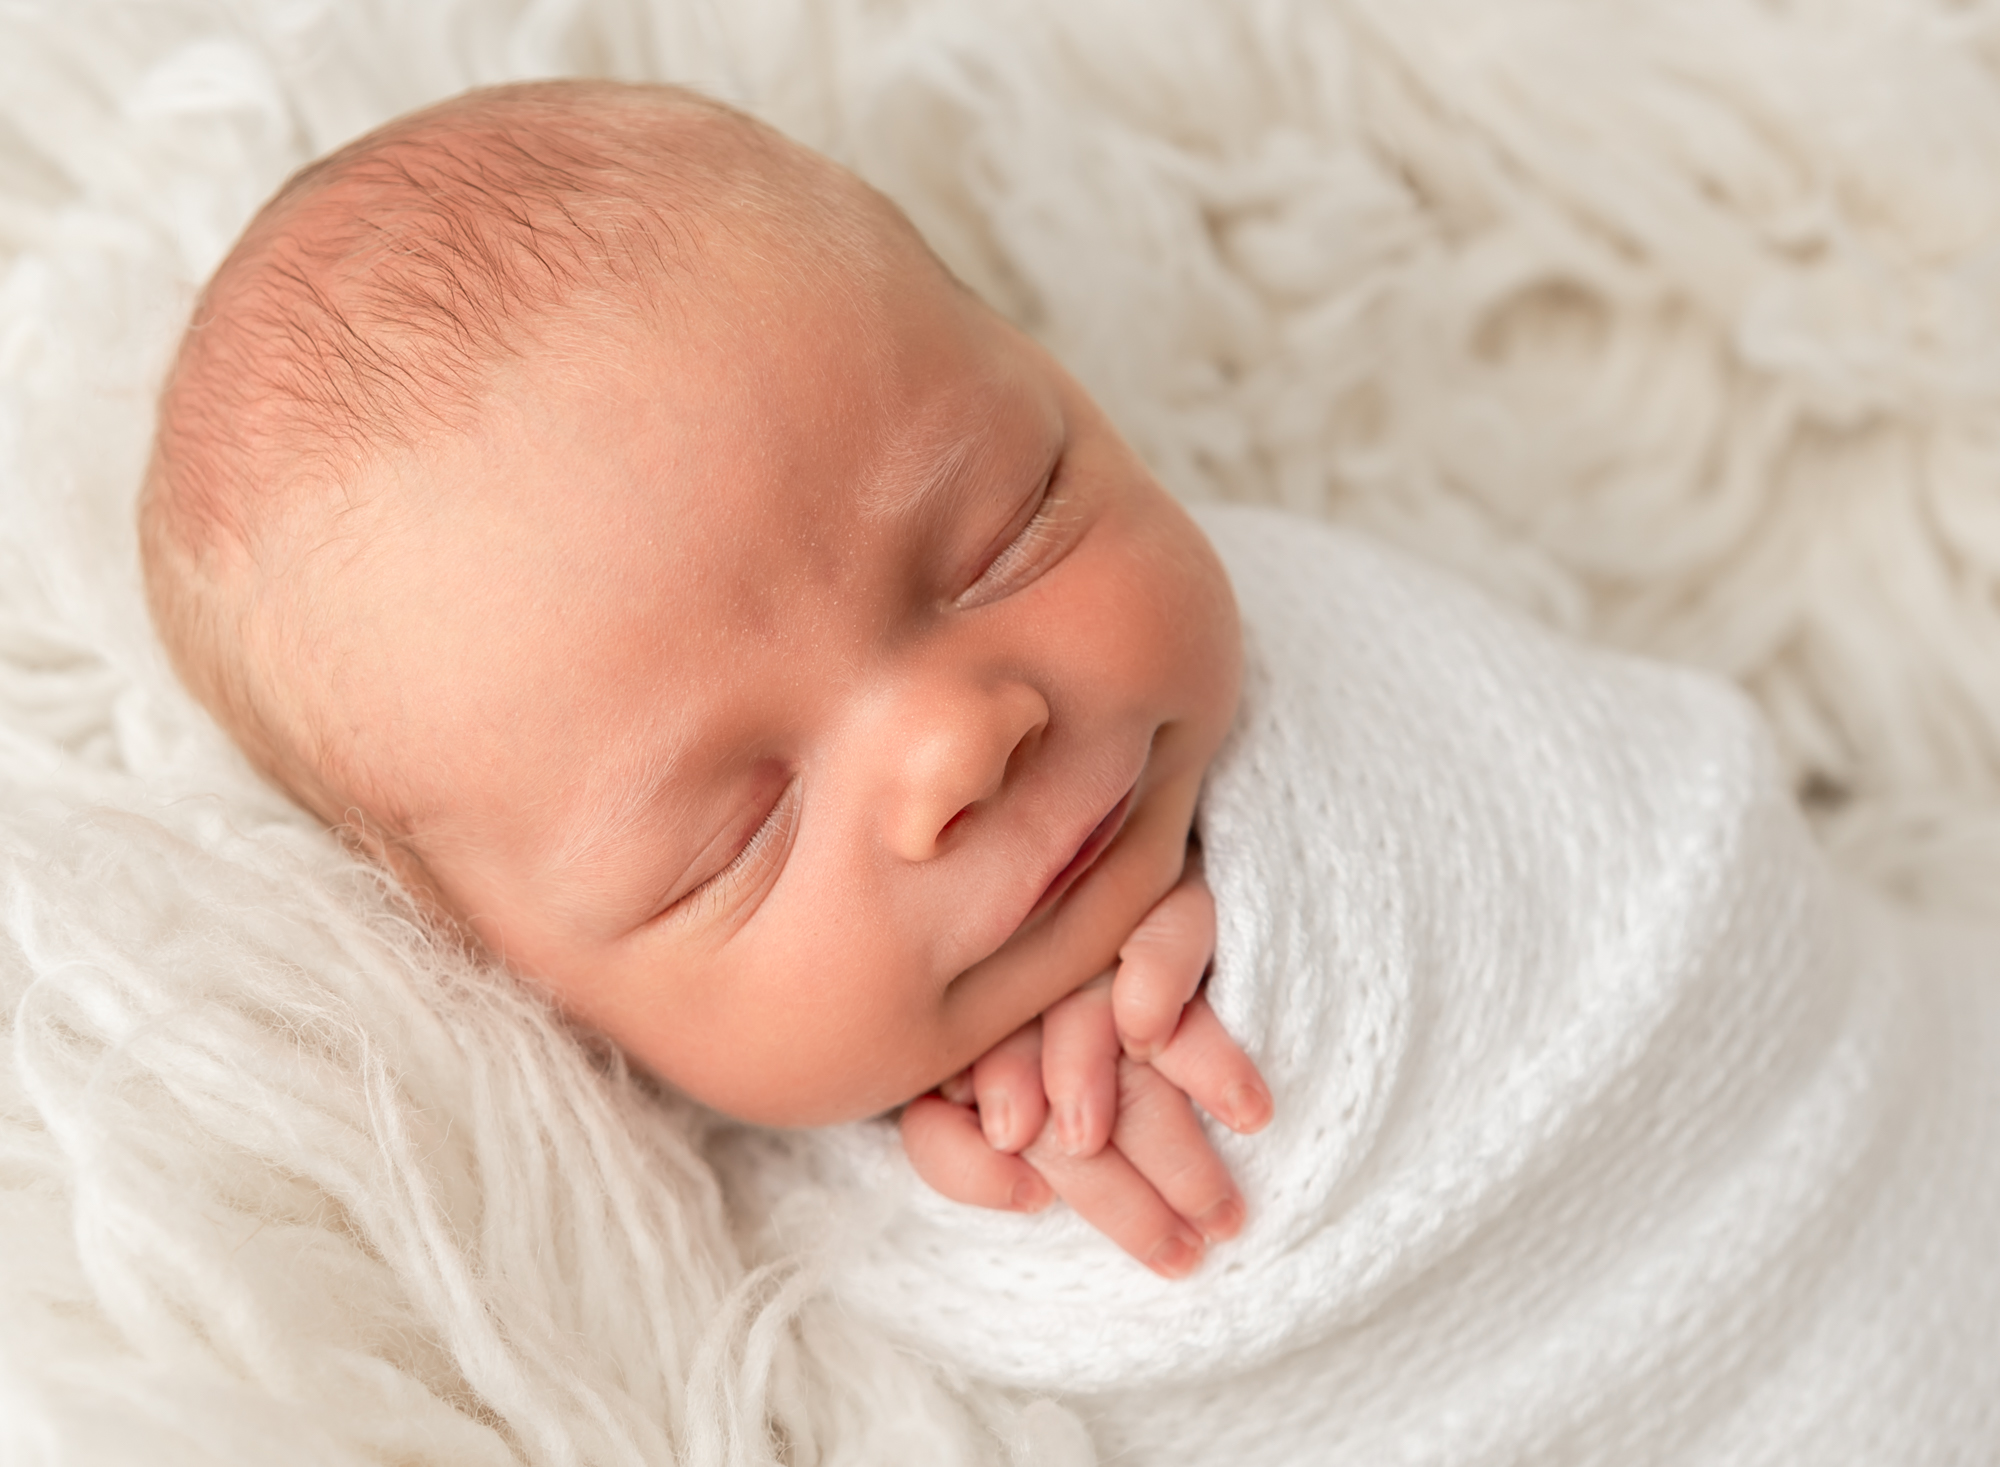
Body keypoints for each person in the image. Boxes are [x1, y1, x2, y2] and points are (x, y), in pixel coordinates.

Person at [138, 78, 1272, 1280]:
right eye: (739, 837)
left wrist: (1264, 924)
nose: (956, 744)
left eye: (1005, 534)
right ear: (528, 994)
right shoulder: (703, 1272)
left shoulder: (1291, 653)